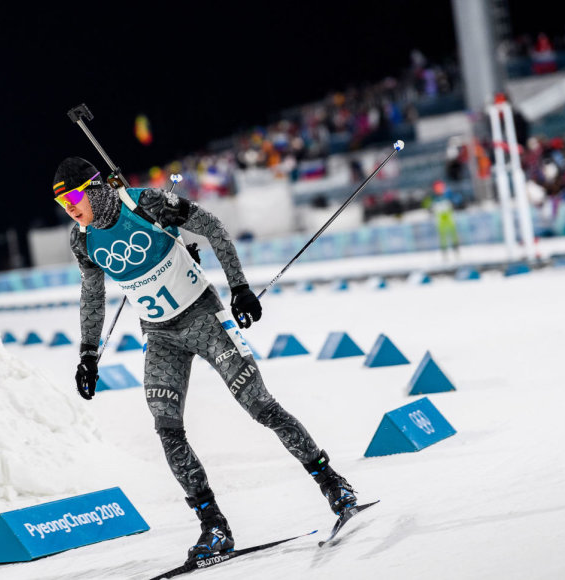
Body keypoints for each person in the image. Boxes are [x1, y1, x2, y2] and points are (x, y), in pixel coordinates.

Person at [55, 156, 359, 561]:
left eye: (74, 196)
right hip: (160, 336)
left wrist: (239, 288)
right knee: (167, 429)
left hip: (204, 319)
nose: (70, 208)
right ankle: (214, 526)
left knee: (261, 407)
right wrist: (88, 354)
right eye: (62, 203)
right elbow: (93, 295)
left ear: (95, 188)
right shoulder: (82, 240)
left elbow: (213, 227)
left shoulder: (144, 203)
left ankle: (333, 484)